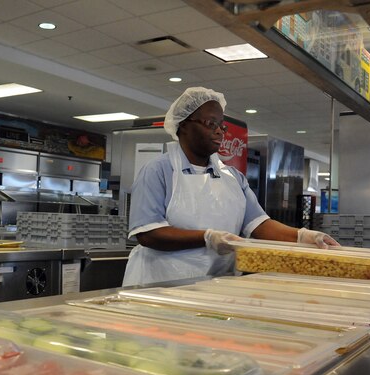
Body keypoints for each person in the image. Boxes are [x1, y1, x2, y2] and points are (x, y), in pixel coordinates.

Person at [122, 86, 339, 286]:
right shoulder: (158, 171)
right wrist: (207, 237)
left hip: (216, 285)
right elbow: (148, 233)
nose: (219, 132)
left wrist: (303, 236)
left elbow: (259, 225)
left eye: (221, 126)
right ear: (184, 126)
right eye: (210, 124)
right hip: (162, 285)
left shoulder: (233, 177)